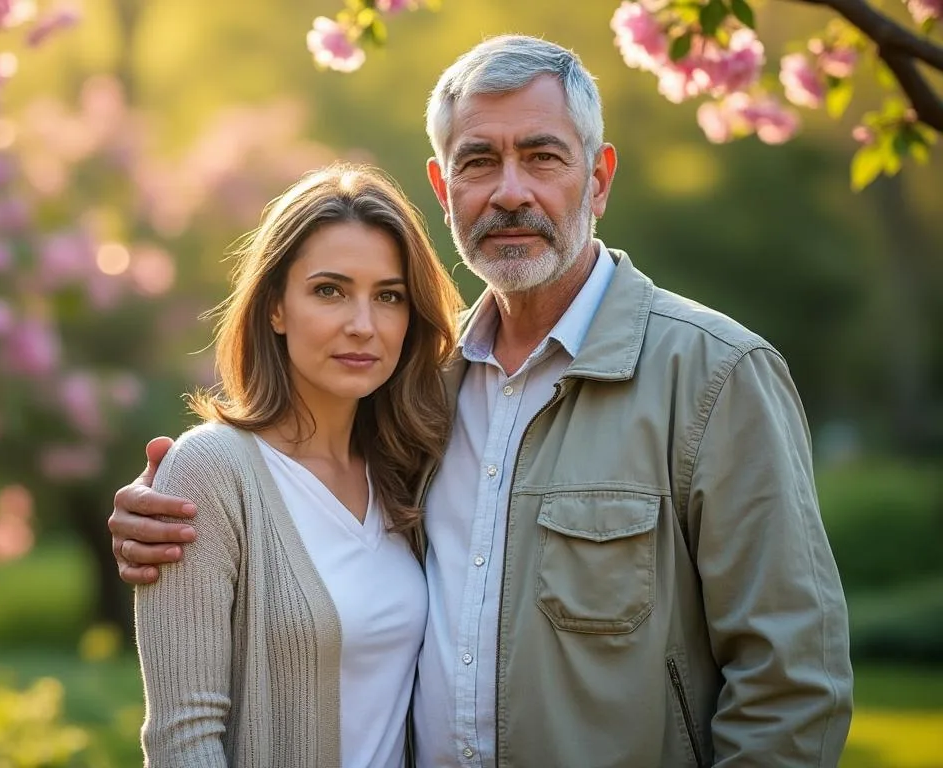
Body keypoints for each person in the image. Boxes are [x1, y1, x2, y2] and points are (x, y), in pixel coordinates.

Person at [112, 35, 854, 767]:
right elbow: (283, 494)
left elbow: (792, 686)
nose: (509, 191)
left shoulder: (715, 376)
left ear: (597, 179)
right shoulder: (419, 394)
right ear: (443, 189)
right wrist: (166, 510)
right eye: (478, 161)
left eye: (541, 156)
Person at [133, 162, 464, 767]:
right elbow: (182, 739)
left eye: (388, 297)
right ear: (276, 308)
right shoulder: (212, 471)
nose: (362, 326)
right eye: (329, 291)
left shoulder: (411, 471)